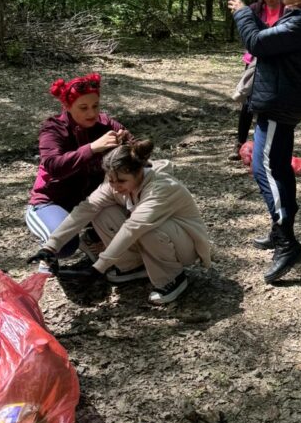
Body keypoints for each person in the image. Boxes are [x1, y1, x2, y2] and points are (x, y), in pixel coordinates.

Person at [229, 0, 301, 283]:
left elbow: (257, 43)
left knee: (265, 168)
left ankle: (287, 241)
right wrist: (250, 17)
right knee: (278, 167)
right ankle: (280, 229)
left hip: (280, 102)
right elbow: (269, 40)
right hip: (282, 99)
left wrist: (242, 14)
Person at [29, 140, 211, 306]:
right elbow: (85, 209)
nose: (115, 186)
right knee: (100, 211)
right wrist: (51, 247)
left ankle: (171, 278)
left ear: (138, 172)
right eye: (111, 180)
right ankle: (132, 266)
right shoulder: (115, 184)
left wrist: (98, 268)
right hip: (152, 235)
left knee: (147, 228)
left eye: (122, 181)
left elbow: (133, 228)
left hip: (184, 246)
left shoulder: (161, 187)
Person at [26, 73, 133, 271]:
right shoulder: (53, 129)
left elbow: (137, 153)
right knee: (64, 246)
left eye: (95, 106)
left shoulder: (106, 125)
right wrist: (92, 148)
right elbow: (54, 166)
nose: (92, 113)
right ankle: (49, 244)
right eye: (83, 108)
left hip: (92, 203)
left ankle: (92, 237)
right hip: (52, 201)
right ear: (67, 106)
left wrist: (127, 145)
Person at [230, 0, 285, 160]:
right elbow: (246, 30)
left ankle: (266, 145)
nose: (269, 0)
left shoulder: (286, 10)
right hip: (253, 59)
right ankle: (240, 142)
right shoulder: (255, 8)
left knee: (269, 101)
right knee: (248, 101)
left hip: (275, 61)